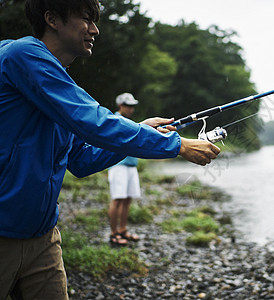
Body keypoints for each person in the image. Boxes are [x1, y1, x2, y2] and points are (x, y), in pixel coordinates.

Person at [0, 0, 220, 299]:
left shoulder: (56, 81)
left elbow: (81, 159)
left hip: (42, 234)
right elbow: (94, 121)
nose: (95, 29)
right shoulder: (22, 55)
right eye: (86, 19)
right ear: (52, 19)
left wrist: (142, 130)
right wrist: (176, 144)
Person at [108, 93, 142, 246]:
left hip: (131, 165)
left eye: (133, 106)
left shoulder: (130, 122)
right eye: (128, 106)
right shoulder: (115, 120)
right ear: (120, 106)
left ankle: (123, 230)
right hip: (118, 166)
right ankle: (113, 234)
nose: (131, 109)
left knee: (128, 198)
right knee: (118, 198)